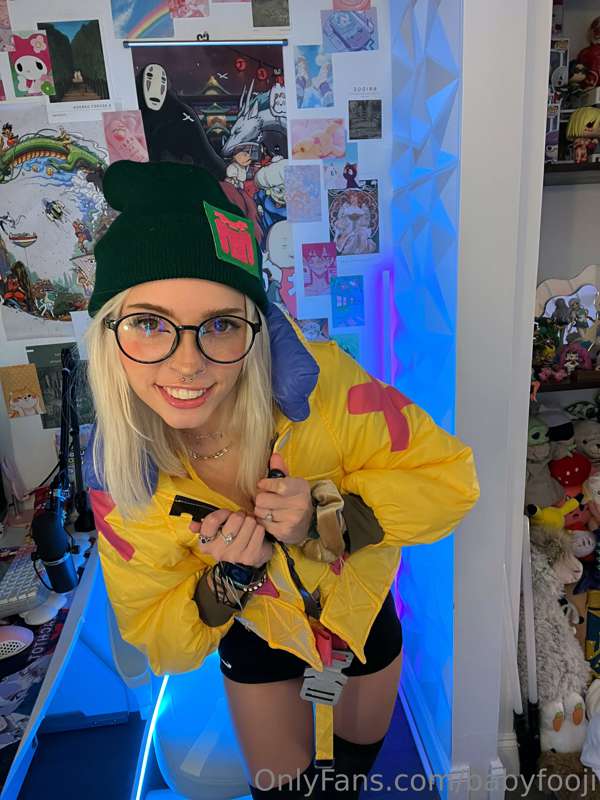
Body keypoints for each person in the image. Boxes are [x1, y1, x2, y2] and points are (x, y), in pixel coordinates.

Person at [83, 160, 480, 799]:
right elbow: (158, 637)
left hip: (358, 629)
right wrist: (228, 580)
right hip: (260, 643)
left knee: (346, 782)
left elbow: (450, 478)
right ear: (109, 333)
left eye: (220, 324)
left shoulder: (323, 389)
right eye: (150, 324)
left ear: (254, 326)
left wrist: (332, 518)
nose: (188, 364)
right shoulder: (122, 475)